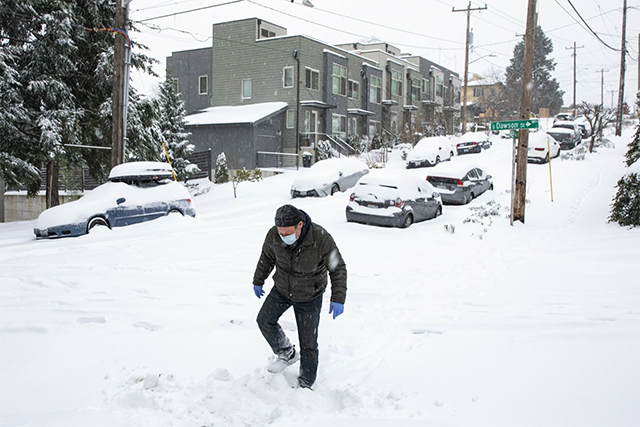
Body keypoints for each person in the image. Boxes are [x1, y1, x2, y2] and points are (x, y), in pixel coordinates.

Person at [253, 204, 347, 389]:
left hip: (309, 294)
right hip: (282, 289)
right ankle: (286, 352)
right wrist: (258, 280)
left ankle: (306, 382)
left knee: (308, 343)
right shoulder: (274, 234)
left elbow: (338, 268)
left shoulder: (320, 238)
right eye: (281, 233)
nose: (283, 236)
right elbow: (267, 257)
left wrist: (338, 298)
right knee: (264, 320)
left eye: (287, 233)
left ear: (300, 225)